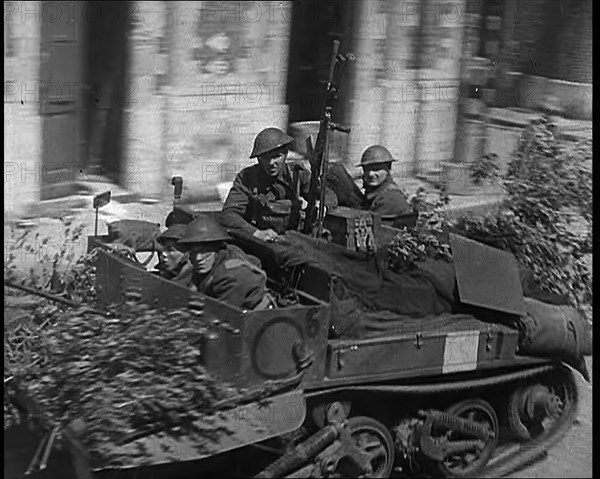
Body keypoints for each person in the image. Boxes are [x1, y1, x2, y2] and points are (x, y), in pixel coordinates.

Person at [220, 127, 339, 242]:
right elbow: (229, 214)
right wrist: (256, 233)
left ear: (285, 154)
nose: (272, 163)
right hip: (262, 241)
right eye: (265, 158)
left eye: (277, 156)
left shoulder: (297, 174)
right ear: (258, 159)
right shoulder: (247, 178)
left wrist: (321, 207)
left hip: (295, 238)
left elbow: (328, 195)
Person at [177, 213, 270, 310]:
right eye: (193, 252)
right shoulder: (206, 267)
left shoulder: (232, 275)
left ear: (218, 249)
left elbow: (222, 315)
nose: (198, 258)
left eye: (205, 252)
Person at [355, 145, 411, 217]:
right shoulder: (375, 192)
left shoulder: (390, 198)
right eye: (367, 169)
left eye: (376, 169)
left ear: (388, 167)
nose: (370, 174)